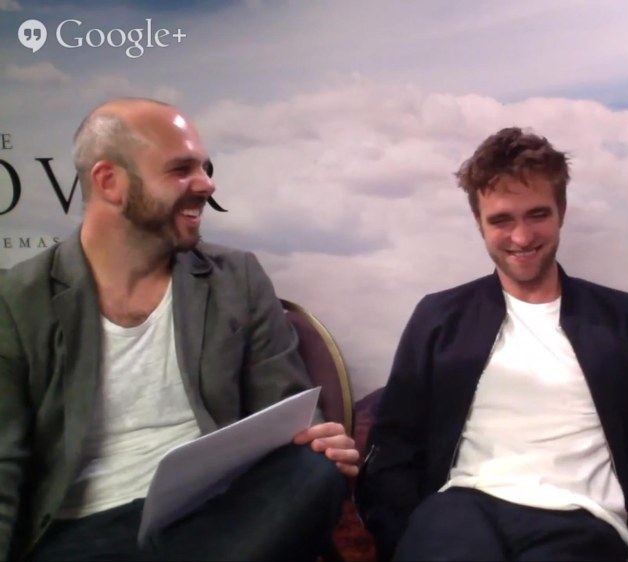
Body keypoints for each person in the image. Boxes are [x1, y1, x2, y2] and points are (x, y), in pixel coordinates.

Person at [0, 98, 360, 561]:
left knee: (313, 471)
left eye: (205, 168)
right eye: (180, 169)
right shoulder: (17, 301)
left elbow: (289, 417)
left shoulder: (237, 278)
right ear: (109, 181)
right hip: (84, 531)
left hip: (219, 512)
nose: (207, 184)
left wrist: (319, 440)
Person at [355, 127, 628, 561]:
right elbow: (393, 447)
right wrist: (402, 539)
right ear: (478, 222)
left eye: (537, 215)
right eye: (501, 220)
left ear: (561, 211)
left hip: (583, 520)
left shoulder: (624, 319)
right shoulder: (439, 318)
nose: (521, 237)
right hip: (459, 510)